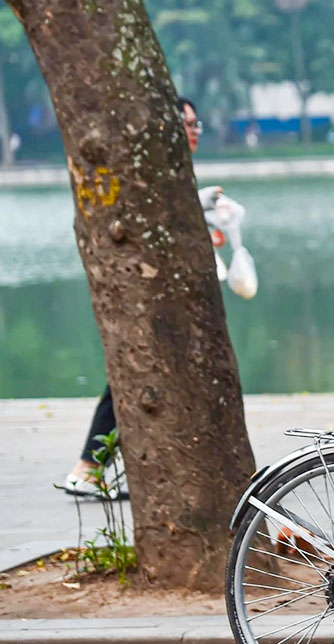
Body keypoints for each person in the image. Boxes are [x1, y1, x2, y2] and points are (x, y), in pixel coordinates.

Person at [57, 96, 212, 500]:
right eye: (187, 124)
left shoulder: (172, 173)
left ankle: (136, 470)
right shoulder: (148, 175)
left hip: (170, 302)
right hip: (143, 302)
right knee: (130, 382)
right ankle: (88, 468)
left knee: (157, 383)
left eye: (196, 125)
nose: (194, 131)